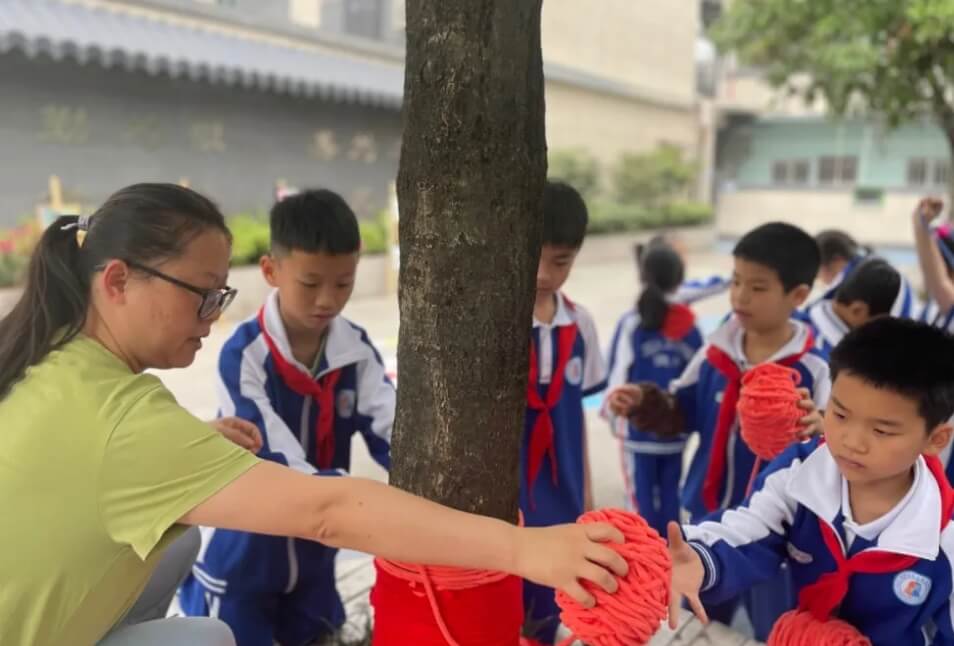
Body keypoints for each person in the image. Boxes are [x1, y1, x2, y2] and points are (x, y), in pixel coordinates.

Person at [0, 183, 628, 646]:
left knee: (178, 539)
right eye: (202, 296)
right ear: (116, 282)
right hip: (261, 557)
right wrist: (523, 549)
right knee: (211, 639)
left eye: (222, 296)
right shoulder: (150, 409)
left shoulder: (48, 360)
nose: (213, 318)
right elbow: (322, 511)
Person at [179, 190, 394, 644]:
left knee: (321, 636)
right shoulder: (244, 356)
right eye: (311, 283)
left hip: (317, 557)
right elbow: (270, 452)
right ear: (271, 271)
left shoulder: (354, 351)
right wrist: (360, 500)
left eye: (343, 283)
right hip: (246, 556)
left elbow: (395, 429)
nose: (327, 300)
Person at [669, 318, 954, 646]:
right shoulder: (798, 472)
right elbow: (747, 528)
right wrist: (700, 557)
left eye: (881, 431)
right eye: (841, 415)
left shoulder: (944, 539)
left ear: (936, 439)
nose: (852, 441)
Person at [607, 221, 829, 638]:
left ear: (798, 296)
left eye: (758, 287)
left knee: (773, 625)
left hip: (774, 537)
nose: (741, 296)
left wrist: (820, 429)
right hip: (707, 522)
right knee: (699, 620)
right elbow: (681, 410)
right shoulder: (715, 354)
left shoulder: (815, 370)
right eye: (736, 281)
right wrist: (646, 403)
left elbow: (841, 446)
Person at [521, 180, 607, 645]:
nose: (543, 273)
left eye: (560, 262)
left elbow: (579, 423)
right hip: (509, 497)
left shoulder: (582, 324)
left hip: (565, 492)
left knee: (556, 606)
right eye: (534, 256)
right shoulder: (497, 326)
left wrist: (588, 500)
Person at [604, 241, 703, 536]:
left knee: (640, 500)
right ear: (679, 278)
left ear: (643, 275)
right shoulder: (690, 326)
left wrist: (613, 418)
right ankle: (671, 559)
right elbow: (697, 379)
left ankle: (646, 562)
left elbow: (618, 375)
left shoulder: (633, 322)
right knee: (671, 495)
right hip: (675, 432)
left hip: (637, 431)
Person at [804, 257, 901, 359]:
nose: (881, 332)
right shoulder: (823, 356)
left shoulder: (806, 317)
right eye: (880, 323)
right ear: (858, 310)